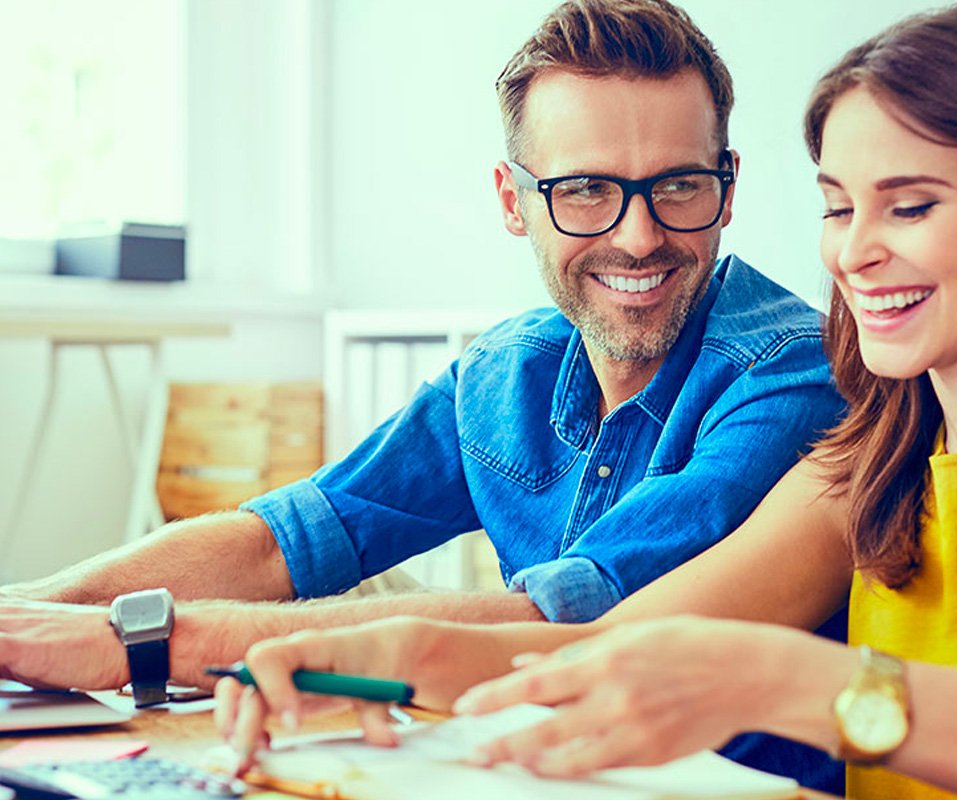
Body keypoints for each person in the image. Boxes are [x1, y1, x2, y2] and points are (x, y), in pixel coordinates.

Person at [215, 3, 957, 798]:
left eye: (910, 204)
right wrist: (358, 652)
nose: (856, 251)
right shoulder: (869, 463)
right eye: (837, 205)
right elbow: (606, 644)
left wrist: (796, 682)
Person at [0, 0, 844, 790]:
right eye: (584, 189)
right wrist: (31, 611)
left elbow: (567, 623)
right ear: (515, 201)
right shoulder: (507, 372)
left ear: (726, 186)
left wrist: (136, 642)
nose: (638, 234)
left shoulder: (794, 373)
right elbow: (288, 539)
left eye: (677, 185)